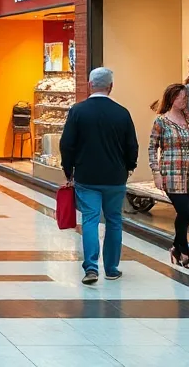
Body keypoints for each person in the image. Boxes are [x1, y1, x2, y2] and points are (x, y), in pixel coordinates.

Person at [59, 67, 139, 285]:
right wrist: (129, 166)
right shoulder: (122, 113)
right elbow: (132, 146)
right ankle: (112, 268)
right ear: (111, 87)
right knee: (114, 220)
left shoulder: (78, 111)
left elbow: (66, 144)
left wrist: (69, 170)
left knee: (90, 220)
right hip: (115, 177)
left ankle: (91, 268)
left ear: (89, 85)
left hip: (87, 177)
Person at [149, 83, 189, 269]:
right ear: (172, 99)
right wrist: (156, 173)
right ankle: (185, 254)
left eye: (187, 97)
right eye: (182, 98)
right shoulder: (161, 122)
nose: (186, 100)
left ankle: (175, 248)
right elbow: (152, 147)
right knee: (186, 211)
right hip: (170, 172)